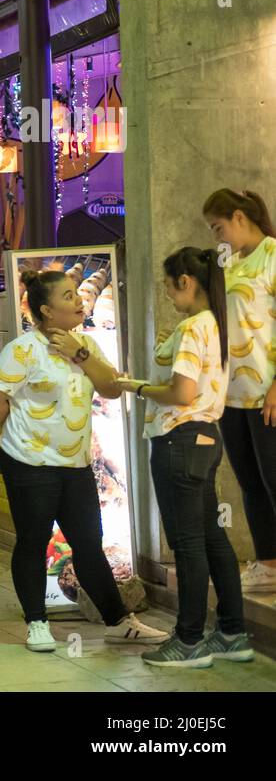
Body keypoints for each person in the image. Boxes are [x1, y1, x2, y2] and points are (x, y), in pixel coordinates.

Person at [0, 269, 169, 652]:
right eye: (68, 296)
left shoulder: (87, 345)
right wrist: (26, 435)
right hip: (29, 466)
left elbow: (111, 388)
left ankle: (118, 622)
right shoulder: (23, 349)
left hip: (76, 467)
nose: (79, 300)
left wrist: (79, 354)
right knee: (33, 542)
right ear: (46, 310)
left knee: (88, 544)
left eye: (76, 294)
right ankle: (37, 623)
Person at [118, 248, 252, 667]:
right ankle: (231, 633)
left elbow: (181, 392)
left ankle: (189, 641)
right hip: (206, 437)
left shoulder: (194, 327)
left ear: (185, 282)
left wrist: (137, 388)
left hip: (180, 440)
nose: (166, 293)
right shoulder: (216, 324)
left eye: (167, 285)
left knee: (188, 543)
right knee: (211, 538)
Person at [203, 188, 276, 593]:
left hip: (266, 391)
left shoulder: (272, 255)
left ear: (239, 217)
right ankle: (268, 563)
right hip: (231, 394)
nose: (218, 237)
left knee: (274, 479)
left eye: (218, 228)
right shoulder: (230, 264)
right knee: (251, 482)